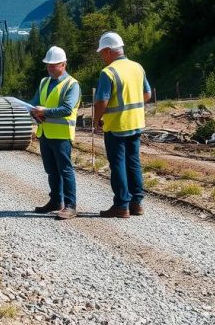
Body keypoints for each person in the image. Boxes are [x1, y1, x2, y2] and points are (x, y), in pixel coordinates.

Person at [92, 32, 151, 219]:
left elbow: (102, 100)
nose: (102, 56)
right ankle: (137, 203)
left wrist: (97, 119)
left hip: (116, 125)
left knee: (117, 164)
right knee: (133, 163)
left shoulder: (108, 72)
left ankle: (121, 205)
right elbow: (147, 94)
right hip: (136, 123)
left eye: (102, 53)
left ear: (109, 51)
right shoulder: (137, 67)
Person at [29, 46, 81, 220]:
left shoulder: (72, 85)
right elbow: (35, 103)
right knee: (51, 170)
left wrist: (44, 111)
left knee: (65, 170)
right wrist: (34, 112)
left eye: (54, 65)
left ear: (64, 64)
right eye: (48, 65)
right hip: (45, 132)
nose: (50, 68)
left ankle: (70, 206)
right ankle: (55, 201)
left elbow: (67, 109)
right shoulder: (44, 82)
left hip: (61, 135)